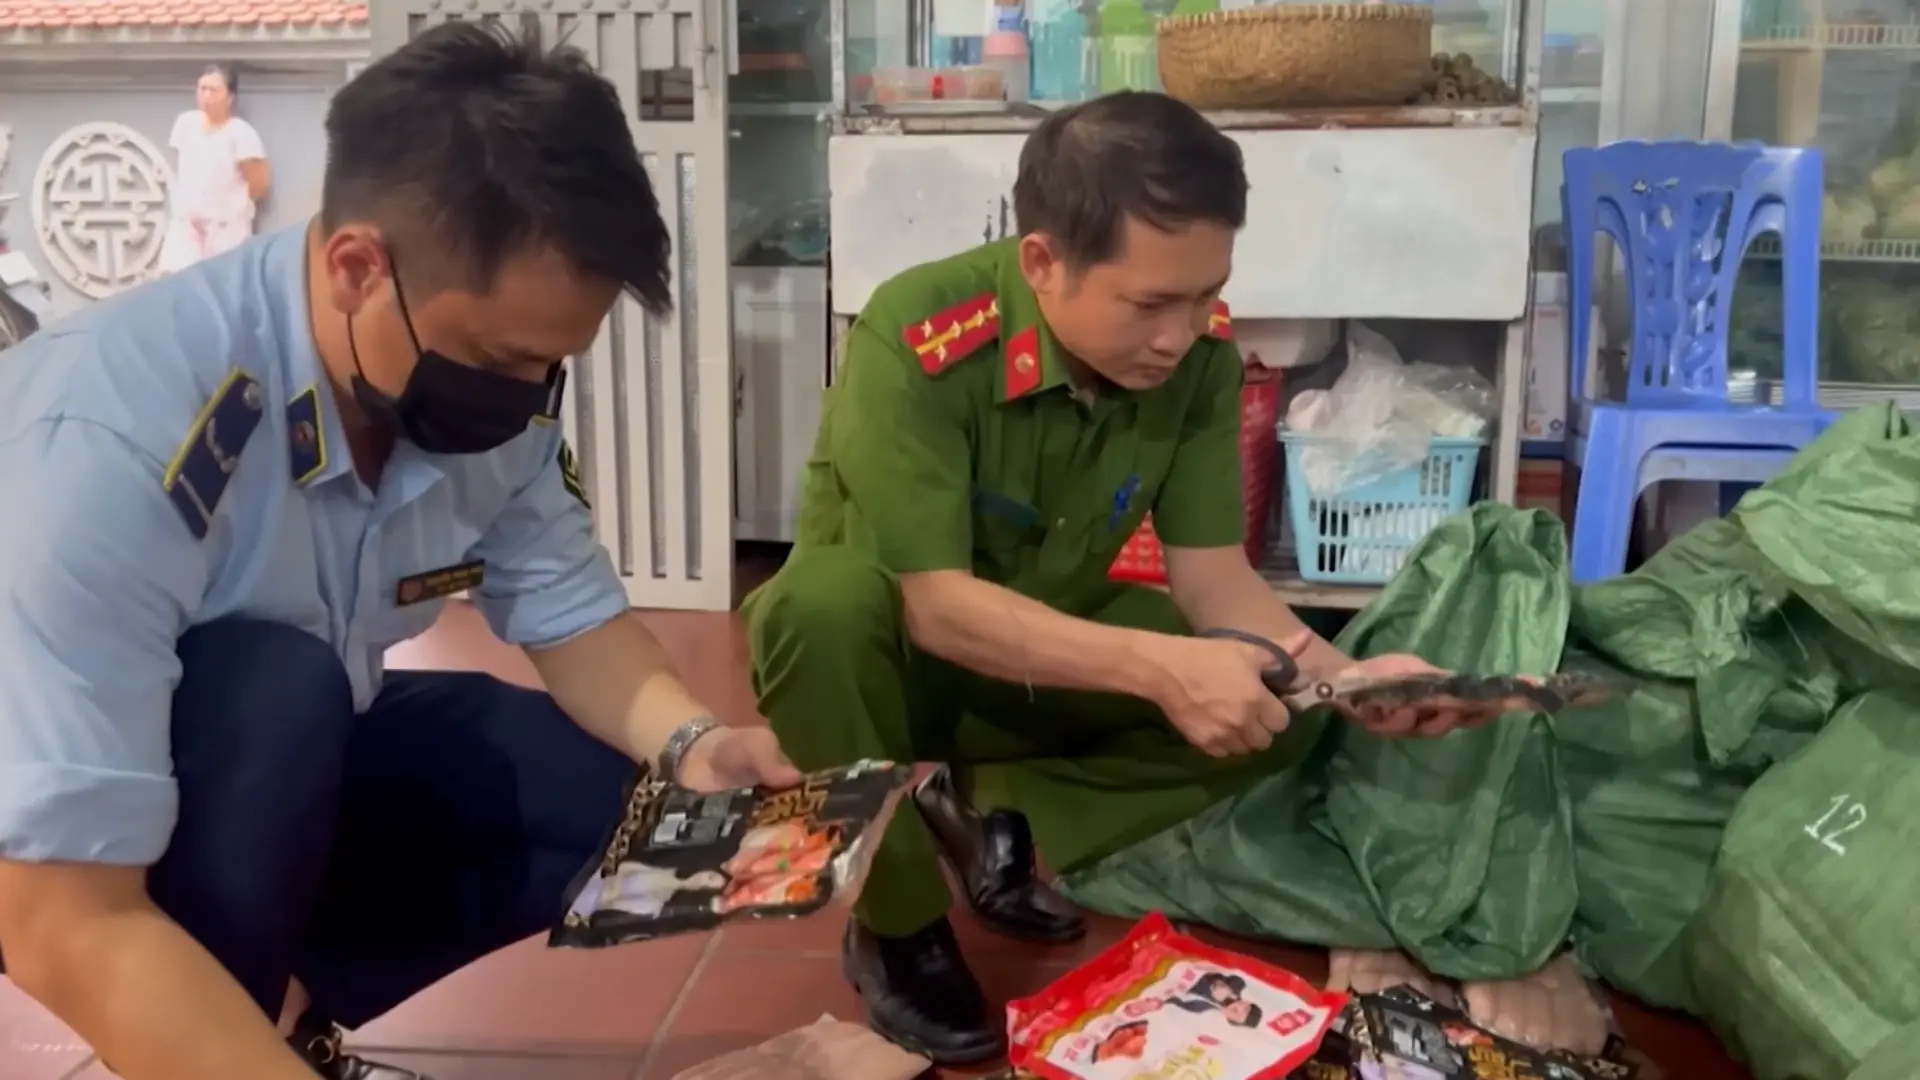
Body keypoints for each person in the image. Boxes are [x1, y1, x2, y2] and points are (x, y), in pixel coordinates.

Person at [0, 24, 797, 1080]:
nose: (524, 396)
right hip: (45, 803)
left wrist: (695, 744)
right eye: (500, 358)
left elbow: (573, 615)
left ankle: (266, 1023)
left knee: (623, 803)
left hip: (267, 763)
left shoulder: (474, 396)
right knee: (275, 690)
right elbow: (60, 918)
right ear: (357, 268)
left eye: (551, 364)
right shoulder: (116, 433)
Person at [740, 90, 1523, 1066]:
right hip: (883, 667)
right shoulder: (920, 334)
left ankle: (993, 816)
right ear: (1043, 262)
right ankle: (895, 925)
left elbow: (1213, 580)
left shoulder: (1198, 360)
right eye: (1151, 303)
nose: (1182, 333)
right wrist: (1160, 670)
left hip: (1044, 653)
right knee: (815, 609)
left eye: (1205, 295)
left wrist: (1347, 679)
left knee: (1278, 704)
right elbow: (934, 607)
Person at [158, 63, 271, 273]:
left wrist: (232, 208)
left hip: (226, 230)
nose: (207, 96)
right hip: (188, 227)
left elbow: (259, 183)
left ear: (230, 97)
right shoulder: (185, 123)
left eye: (214, 90)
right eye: (203, 89)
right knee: (176, 279)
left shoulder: (241, 133)